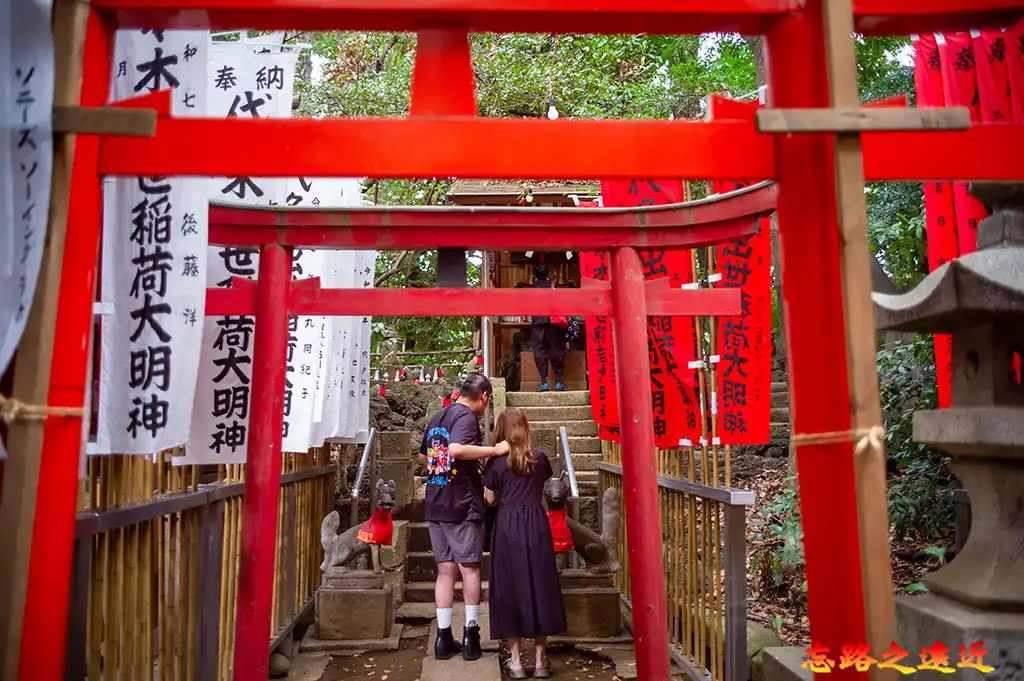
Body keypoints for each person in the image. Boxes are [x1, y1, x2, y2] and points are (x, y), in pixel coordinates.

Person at [420, 373, 509, 661]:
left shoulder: (437, 416)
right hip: (461, 503)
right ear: (484, 396)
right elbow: (456, 449)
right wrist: (494, 450)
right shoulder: (467, 417)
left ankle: (443, 637)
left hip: (435, 501)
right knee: (470, 568)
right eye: (488, 399)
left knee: (445, 570)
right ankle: (471, 636)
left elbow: (425, 457)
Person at [483, 408, 567, 678]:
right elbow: (544, 486)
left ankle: (517, 662)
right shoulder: (539, 459)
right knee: (540, 584)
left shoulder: (495, 462)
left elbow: (490, 500)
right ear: (525, 428)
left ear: (501, 431)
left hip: (508, 525)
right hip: (536, 523)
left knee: (509, 587)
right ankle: (541, 661)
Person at [529, 260, 566, 392]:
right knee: (557, 351)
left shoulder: (531, 289)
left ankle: (544, 382)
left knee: (539, 352)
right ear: (547, 272)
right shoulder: (553, 285)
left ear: (534, 274)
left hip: (538, 323)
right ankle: (559, 382)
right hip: (553, 323)